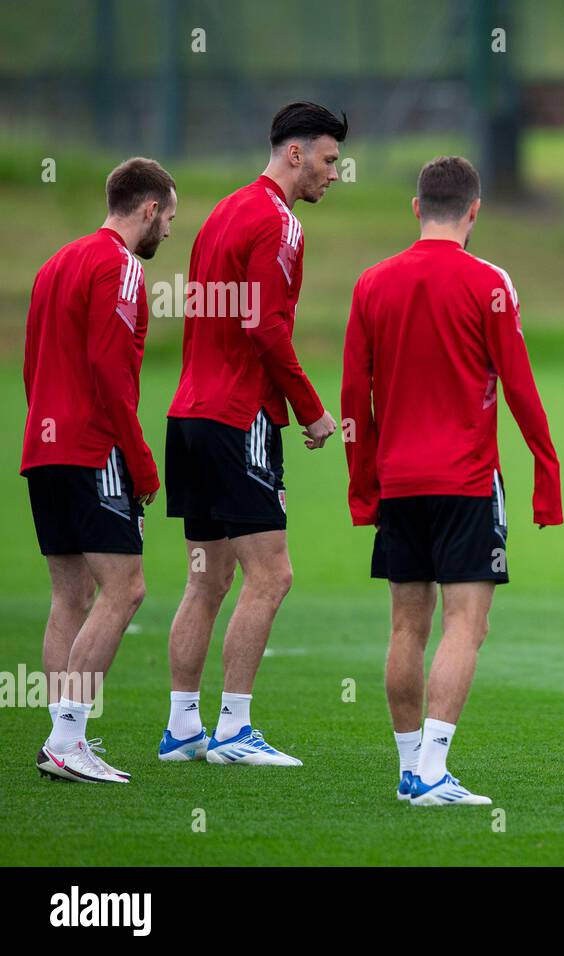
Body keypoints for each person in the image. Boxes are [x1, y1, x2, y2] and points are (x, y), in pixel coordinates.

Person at [342, 156, 563, 806]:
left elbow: (356, 397)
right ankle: (433, 770)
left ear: (416, 209)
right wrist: (546, 478)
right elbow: (520, 387)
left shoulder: (371, 282)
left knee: (407, 625)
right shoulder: (490, 283)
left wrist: (363, 490)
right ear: (474, 211)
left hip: (399, 482)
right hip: (466, 482)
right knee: (467, 622)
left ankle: (411, 768)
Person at [159, 102, 345, 766]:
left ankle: (183, 729)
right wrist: (312, 409)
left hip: (188, 414)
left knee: (205, 579)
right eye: (328, 160)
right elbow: (265, 326)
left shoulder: (223, 212)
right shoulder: (279, 222)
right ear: (294, 154)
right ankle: (234, 730)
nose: (333, 174)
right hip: (240, 418)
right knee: (271, 576)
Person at [25, 158, 177, 782]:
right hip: (93, 449)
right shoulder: (118, 266)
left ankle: (62, 736)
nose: (168, 232)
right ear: (147, 209)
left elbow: (33, 367)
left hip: (44, 446)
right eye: (168, 218)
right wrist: (140, 463)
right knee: (126, 589)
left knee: (70, 595)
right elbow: (111, 373)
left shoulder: (55, 263)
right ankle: (68, 739)